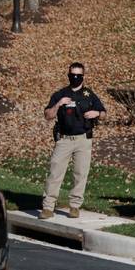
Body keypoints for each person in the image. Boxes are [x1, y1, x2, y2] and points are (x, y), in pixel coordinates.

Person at [39, 62, 106, 219]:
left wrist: (96, 113)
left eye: (78, 75)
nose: (75, 78)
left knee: (80, 173)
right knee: (55, 172)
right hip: (64, 139)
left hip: (83, 140)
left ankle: (75, 206)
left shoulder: (89, 95)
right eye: (72, 75)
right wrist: (58, 104)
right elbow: (48, 115)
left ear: (83, 76)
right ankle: (48, 207)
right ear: (68, 75)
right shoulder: (60, 94)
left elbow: (103, 113)